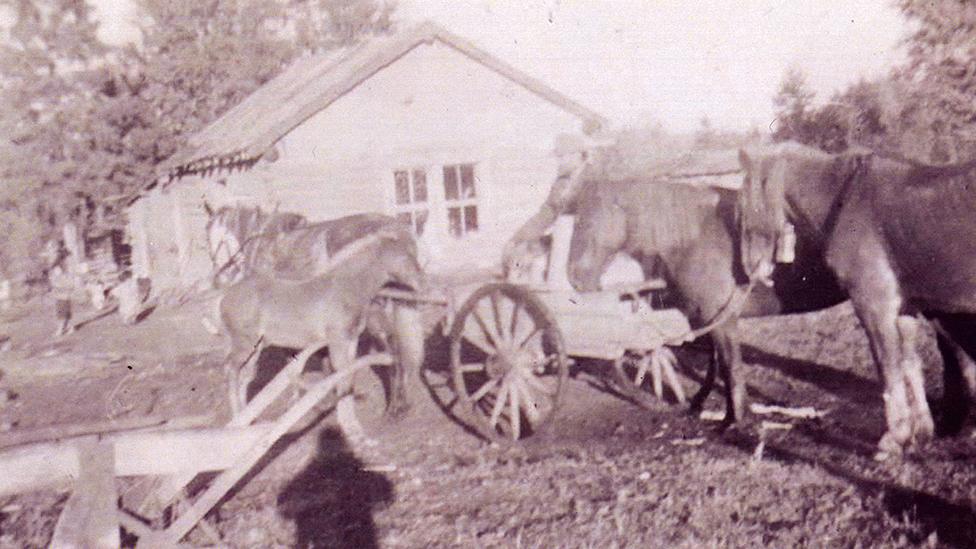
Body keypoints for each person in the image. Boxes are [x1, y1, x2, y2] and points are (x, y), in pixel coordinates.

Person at [502, 132, 597, 279]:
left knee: (544, 262)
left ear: (577, 155)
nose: (559, 162)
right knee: (523, 254)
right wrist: (518, 239)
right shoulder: (561, 182)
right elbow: (546, 214)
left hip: (591, 242)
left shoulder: (595, 177)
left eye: (562, 157)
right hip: (565, 238)